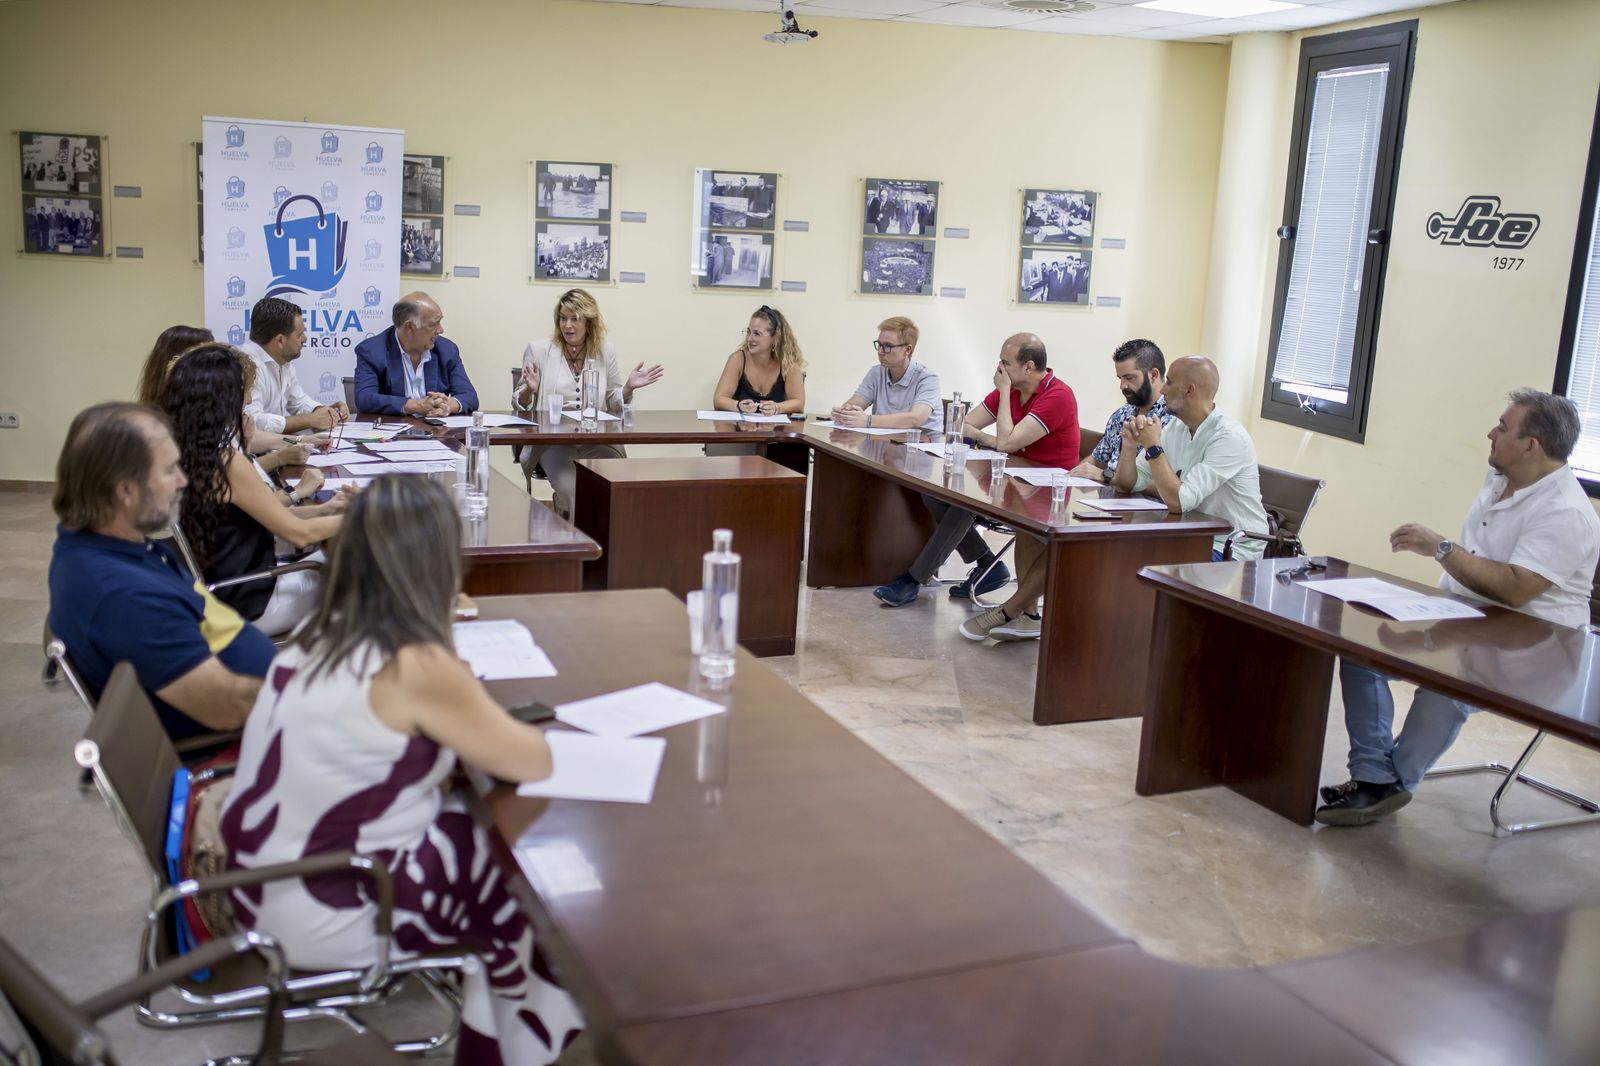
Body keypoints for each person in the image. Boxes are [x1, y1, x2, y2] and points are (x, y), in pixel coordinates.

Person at [218, 476, 582, 1063]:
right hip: (327, 905)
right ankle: (516, 1044)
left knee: (471, 816)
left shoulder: (319, 633)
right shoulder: (413, 662)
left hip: (258, 885)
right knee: (528, 879)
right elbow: (531, 759)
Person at [1316, 390, 1600, 827]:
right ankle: (1376, 776)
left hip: (1535, 646)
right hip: (1470, 620)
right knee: (1362, 650)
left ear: (1531, 445)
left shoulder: (1567, 513)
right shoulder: (1502, 477)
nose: (1490, 432)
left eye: (1503, 427)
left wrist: (1442, 549)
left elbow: (1516, 589)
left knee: (1449, 680)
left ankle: (1387, 785)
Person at [46, 402, 273, 741]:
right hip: (249, 737)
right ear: (125, 491)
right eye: (169, 471)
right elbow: (230, 708)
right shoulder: (123, 597)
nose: (183, 480)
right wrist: (308, 693)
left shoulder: (100, 542)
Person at [874, 333, 1080, 610]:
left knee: (963, 506)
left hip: (1044, 493)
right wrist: (995, 438)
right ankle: (987, 564)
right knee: (935, 495)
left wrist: (1004, 398)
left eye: (1005, 363)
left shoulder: (1057, 396)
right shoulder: (1012, 388)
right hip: (1011, 478)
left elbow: (1007, 442)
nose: (999, 369)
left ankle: (912, 580)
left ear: (1029, 367)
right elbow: (963, 425)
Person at [160, 345, 343, 636]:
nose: (247, 410)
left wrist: (326, 510)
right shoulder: (228, 462)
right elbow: (297, 533)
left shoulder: (185, 449)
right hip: (251, 603)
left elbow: (254, 515)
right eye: (244, 402)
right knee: (353, 566)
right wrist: (368, 513)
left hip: (220, 590)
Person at [512, 288, 663, 516]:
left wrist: (628, 388)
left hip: (596, 439)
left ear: (589, 322)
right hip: (552, 442)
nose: (568, 325)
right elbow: (518, 404)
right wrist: (529, 391)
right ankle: (578, 547)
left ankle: (609, 546)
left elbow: (612, 401)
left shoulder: (605, 351)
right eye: (563, 318)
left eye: (575, 319)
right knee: (572, 488)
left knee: (618, 484)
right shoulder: (539, 349)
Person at [1112, 355, 1267, 562]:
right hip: (1191, 535)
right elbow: (1126, 485)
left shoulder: (1229, 437)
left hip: (1230, 548)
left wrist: (1152, 446)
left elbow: (1178, 502)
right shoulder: (1176, 428)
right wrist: (1129, 447)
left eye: (1169, 382)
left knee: (1143, 561)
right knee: (1121, 552)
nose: (1162, 390)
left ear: (1189, 390)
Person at [354, 292, 479, 416]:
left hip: (437, 432)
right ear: (409, 327)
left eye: (440, 322)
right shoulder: (372, 351)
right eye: (433, 324)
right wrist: (413, 406)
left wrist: (447, 405)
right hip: (394, 433)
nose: (441, 330)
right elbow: (365, 398)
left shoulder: (447, 350)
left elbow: (469, 396)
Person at [1071, 338, 1172, 484]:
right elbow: (1096, 459)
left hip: (1142, 502)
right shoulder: (1121, 415)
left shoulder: (1171, 419)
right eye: (1120, 378)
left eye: (1129, 378)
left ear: (1153, 375)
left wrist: (1106, 475)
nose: (1122, 386)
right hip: (1107, 497)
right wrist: (1072, 476)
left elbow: (1161, 482)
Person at [241, 297, 348, 434]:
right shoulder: (245, 365)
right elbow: (252, 422)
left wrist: (322, 410)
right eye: (299, 334)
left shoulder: (283, 360)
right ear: (280, 340)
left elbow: (298, 401)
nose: (305, 338)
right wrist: (310, 420)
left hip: (274, 445)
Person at [831, 316, 941, 433]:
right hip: (884, 443)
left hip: (920, 445)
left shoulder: (927, 379)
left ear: (907, 350)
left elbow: (915, 419)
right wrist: (845, 412)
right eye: (879, 344)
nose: (880, 352)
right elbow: (854, 403)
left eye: (888, 346)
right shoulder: (876, 373)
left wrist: (868, 420)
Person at [712, 305, 806, 416]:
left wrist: (777, 407)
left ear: (775, 338)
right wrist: (738, 405)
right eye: (748, 332)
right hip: (741, 431)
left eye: (757, 334)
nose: (749, 338)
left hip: (776, 431)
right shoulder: (737, 359)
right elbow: (718, 399)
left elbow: (799, 403)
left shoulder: (788, 363)